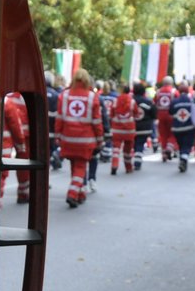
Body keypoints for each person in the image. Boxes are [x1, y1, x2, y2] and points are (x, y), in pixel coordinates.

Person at [56, 69, 103, 207]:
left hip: (68, 138)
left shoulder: (64, 95)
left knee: (74, 166)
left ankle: (80, 193)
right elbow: (96, 121)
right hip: (85, 139)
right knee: (81, 167)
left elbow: (59, 118)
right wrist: (100, 139)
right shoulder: (91, 97)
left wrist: (57, 135)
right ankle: (72, 193)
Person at [0, 90, 31, 204]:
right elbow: (15, 125)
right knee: (2, 173)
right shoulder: (9, 101)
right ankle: (23, 192)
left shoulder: (8, 97)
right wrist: (20, 142)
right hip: (10, 142)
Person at [168, 88, 195, 172]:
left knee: (181, 145)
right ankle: (183, 159)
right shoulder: (192, 100)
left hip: (177, 127)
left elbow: (170, 112)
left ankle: (181, 158)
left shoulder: (174, 101)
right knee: (187, 145)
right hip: (189, 127)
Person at [110, 83, 140, 174]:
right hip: (129, 129)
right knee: (127, 150)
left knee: (116, 148)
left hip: (117, 128)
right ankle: (128, 167)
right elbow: (137, 114)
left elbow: (111, 114)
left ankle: (114, 165)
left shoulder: (115, 100)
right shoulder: (132, 101)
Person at [154, 76, 179, 161]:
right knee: (173, 134)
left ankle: (164, 154)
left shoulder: (158, 92)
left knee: (163, 135)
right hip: (171, 116)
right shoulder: (174, 91)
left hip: (160, 116)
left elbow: (154, 103)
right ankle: (169, 148)